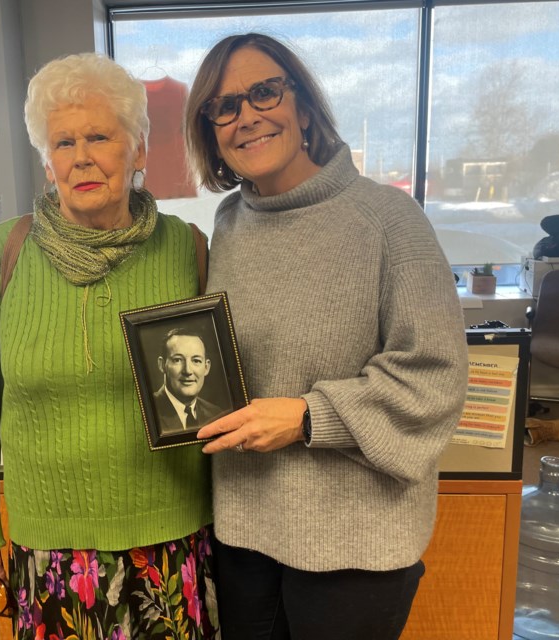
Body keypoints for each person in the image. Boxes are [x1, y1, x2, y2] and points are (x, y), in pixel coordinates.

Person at [184, 33, 469, 639]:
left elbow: (436, 377)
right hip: (244, 534)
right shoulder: (229, 225)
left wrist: (311, 418)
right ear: (211, 132)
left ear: (305, 107)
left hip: (355, 548)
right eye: (225, 106)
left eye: (265, 92)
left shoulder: (390, 222)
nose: (248, 117)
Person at [0, 52, 218, 640]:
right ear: (47, 163)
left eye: (100, 136)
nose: (81, 157)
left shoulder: (188, 249)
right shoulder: (7, 250)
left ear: (139, 150)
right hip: (48, 556)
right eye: (63, 142)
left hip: (168, 545)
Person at [152, 328, 225, 432]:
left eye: (196, 360)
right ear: (162, 365)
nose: (187, 371)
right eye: (177, 360)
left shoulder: (216, 414)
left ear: (206, 367)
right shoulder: (147, 412)